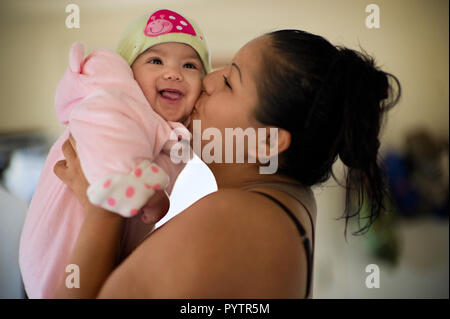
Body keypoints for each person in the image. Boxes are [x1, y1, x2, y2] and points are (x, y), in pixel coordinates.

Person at [53, 29, 401, 298]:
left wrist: (102, 206)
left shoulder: (236, 216)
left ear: (267, 142)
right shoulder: (291, 203)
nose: (206, 80)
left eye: (229, 81)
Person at [19, 9, 211, 298]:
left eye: (190, 66)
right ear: (129, 74)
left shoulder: (175, 139)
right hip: (53, 246)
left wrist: (155, 194)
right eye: (155, 60)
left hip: (100, 257)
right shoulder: (117, 100)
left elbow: (161, 174)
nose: (174, 73)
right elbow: (101, 128)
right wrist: (147, 191)